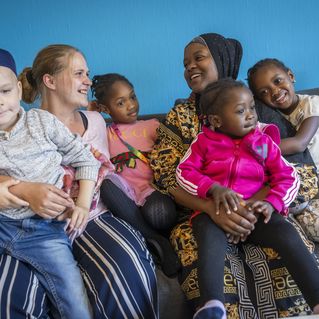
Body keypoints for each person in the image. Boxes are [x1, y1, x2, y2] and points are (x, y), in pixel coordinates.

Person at [150, 33, 318, 318]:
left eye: (199, 58)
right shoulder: (182, 119)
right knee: (198, 249)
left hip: (261, 207)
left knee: (290, 239)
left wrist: (253, 207)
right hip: (205, 210)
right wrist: (212, 207)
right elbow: (169, 176)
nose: (190, 66)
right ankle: (212, 307)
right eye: (185, 63)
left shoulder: (259, 108)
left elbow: (293, 170)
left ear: (221, 59)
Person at [0, 45, 158, 319]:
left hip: (84, 217)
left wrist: (83, 204)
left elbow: (105, 161)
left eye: (88, 73)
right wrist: (22, 189)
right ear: (49, 81)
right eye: (78, 74)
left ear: (14, 87)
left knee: (125, 264)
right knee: (12, 293)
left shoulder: (96, 120)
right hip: (21, 220)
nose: (88, 81)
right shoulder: (25, 124)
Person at [0, 48, 101, 318]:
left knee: (75, 302)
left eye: (5, 91)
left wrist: (81, 205)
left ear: (19, 90)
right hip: (2, 224)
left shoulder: (42, 123)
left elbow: (87, 161)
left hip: (45, 229)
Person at [90, 73, 180, 277]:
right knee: (105, 184)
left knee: (160, 214)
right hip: (125, 195)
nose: (131, 105)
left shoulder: (153, 125)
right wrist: (92, 114)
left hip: (152, 190)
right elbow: (84, 144)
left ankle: (153, 233)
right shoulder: (104, 132)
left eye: (132, 97)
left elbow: (174, 148)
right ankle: (155, 240)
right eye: (121, 102)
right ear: (105, 109)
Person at [247, 58, 319, 242]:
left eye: (277, 81)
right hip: (308, 185)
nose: (275, 91)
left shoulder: (311, 104)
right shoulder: (275, 117)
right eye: (264, 92)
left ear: (291, 76)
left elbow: (300, 143)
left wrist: (259, 152)